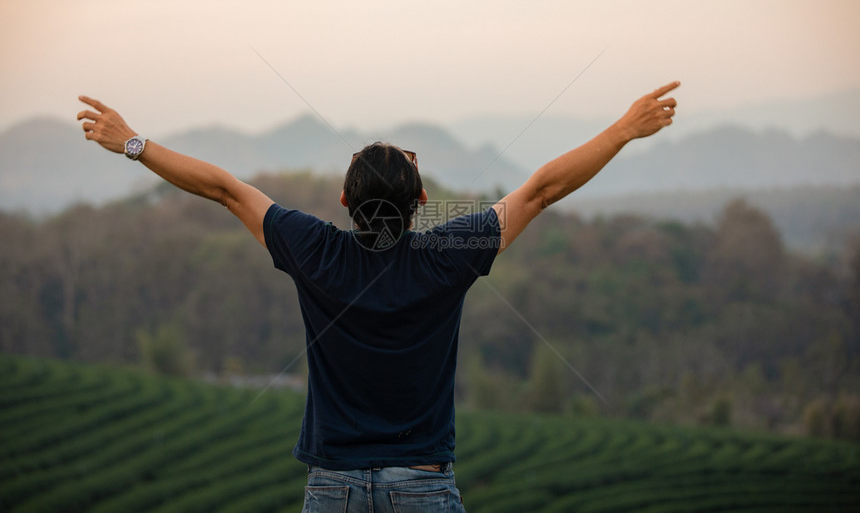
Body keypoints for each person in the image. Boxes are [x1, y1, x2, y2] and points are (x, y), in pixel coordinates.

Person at [76, 81, 679, 512]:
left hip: (331, 489)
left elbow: (225, 190)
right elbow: (542, 190)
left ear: (344, 203)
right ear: (421, 203)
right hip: (421, 485)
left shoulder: (314, 249)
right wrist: (626, 129)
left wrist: (132, 142)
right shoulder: (449, 252)